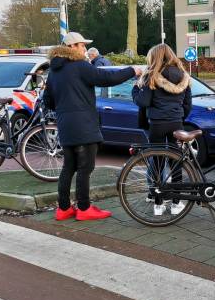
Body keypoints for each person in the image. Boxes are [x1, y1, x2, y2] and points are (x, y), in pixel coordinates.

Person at [45, 32, 138, 220]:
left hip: (65, 125)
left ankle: (63, 209)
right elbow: (106, 78)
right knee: (85, 168)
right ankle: (84, 208)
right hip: (84, 125)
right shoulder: (80, 66)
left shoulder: (53, 71)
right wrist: (132, 70)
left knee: (68, 167)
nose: (84, 49)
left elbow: (48, 101)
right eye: (81, 45)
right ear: (71, 47)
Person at [132, 44, 192, 216]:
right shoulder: (184, 76)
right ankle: (176, 203)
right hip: (176, 123)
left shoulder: (152, 76)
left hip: (157, 124)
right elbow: (188, 104)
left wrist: (135, 89)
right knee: (176, 163)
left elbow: (143, 102)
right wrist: (179, 117)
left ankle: (158, 204)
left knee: (157, 162)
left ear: (154, 57)